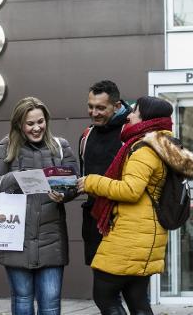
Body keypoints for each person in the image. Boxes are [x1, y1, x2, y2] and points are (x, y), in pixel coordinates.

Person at [77, 96, 193, 315]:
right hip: (147, 234)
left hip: (131, 235)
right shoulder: (165, 144)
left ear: (146, 118)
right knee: (137, 299)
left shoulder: (145, 149)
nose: (129, 114)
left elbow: (130, 190)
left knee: (104, 295)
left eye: (134, 111)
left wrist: (91, 181)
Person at [0, 96, 78, 315]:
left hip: (50, 237)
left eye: (40, 121)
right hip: (15, 236)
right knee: (23, 301)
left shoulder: (61, 147)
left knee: (51, 304)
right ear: (19, 124)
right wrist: (15, 178)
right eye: (30, 123)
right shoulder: (7, 145)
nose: (37, 128)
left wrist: (64, 194)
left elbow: (75, 183)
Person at [80, 80, 131, 267]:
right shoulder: (87, 135)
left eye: (100, 108)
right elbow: (83, 180)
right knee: (102, 293)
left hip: (124, 222)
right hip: (94, 222)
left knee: (130, 291)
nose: (94, 113)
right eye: (90, 107)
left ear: (117, 106)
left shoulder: (130, 133)